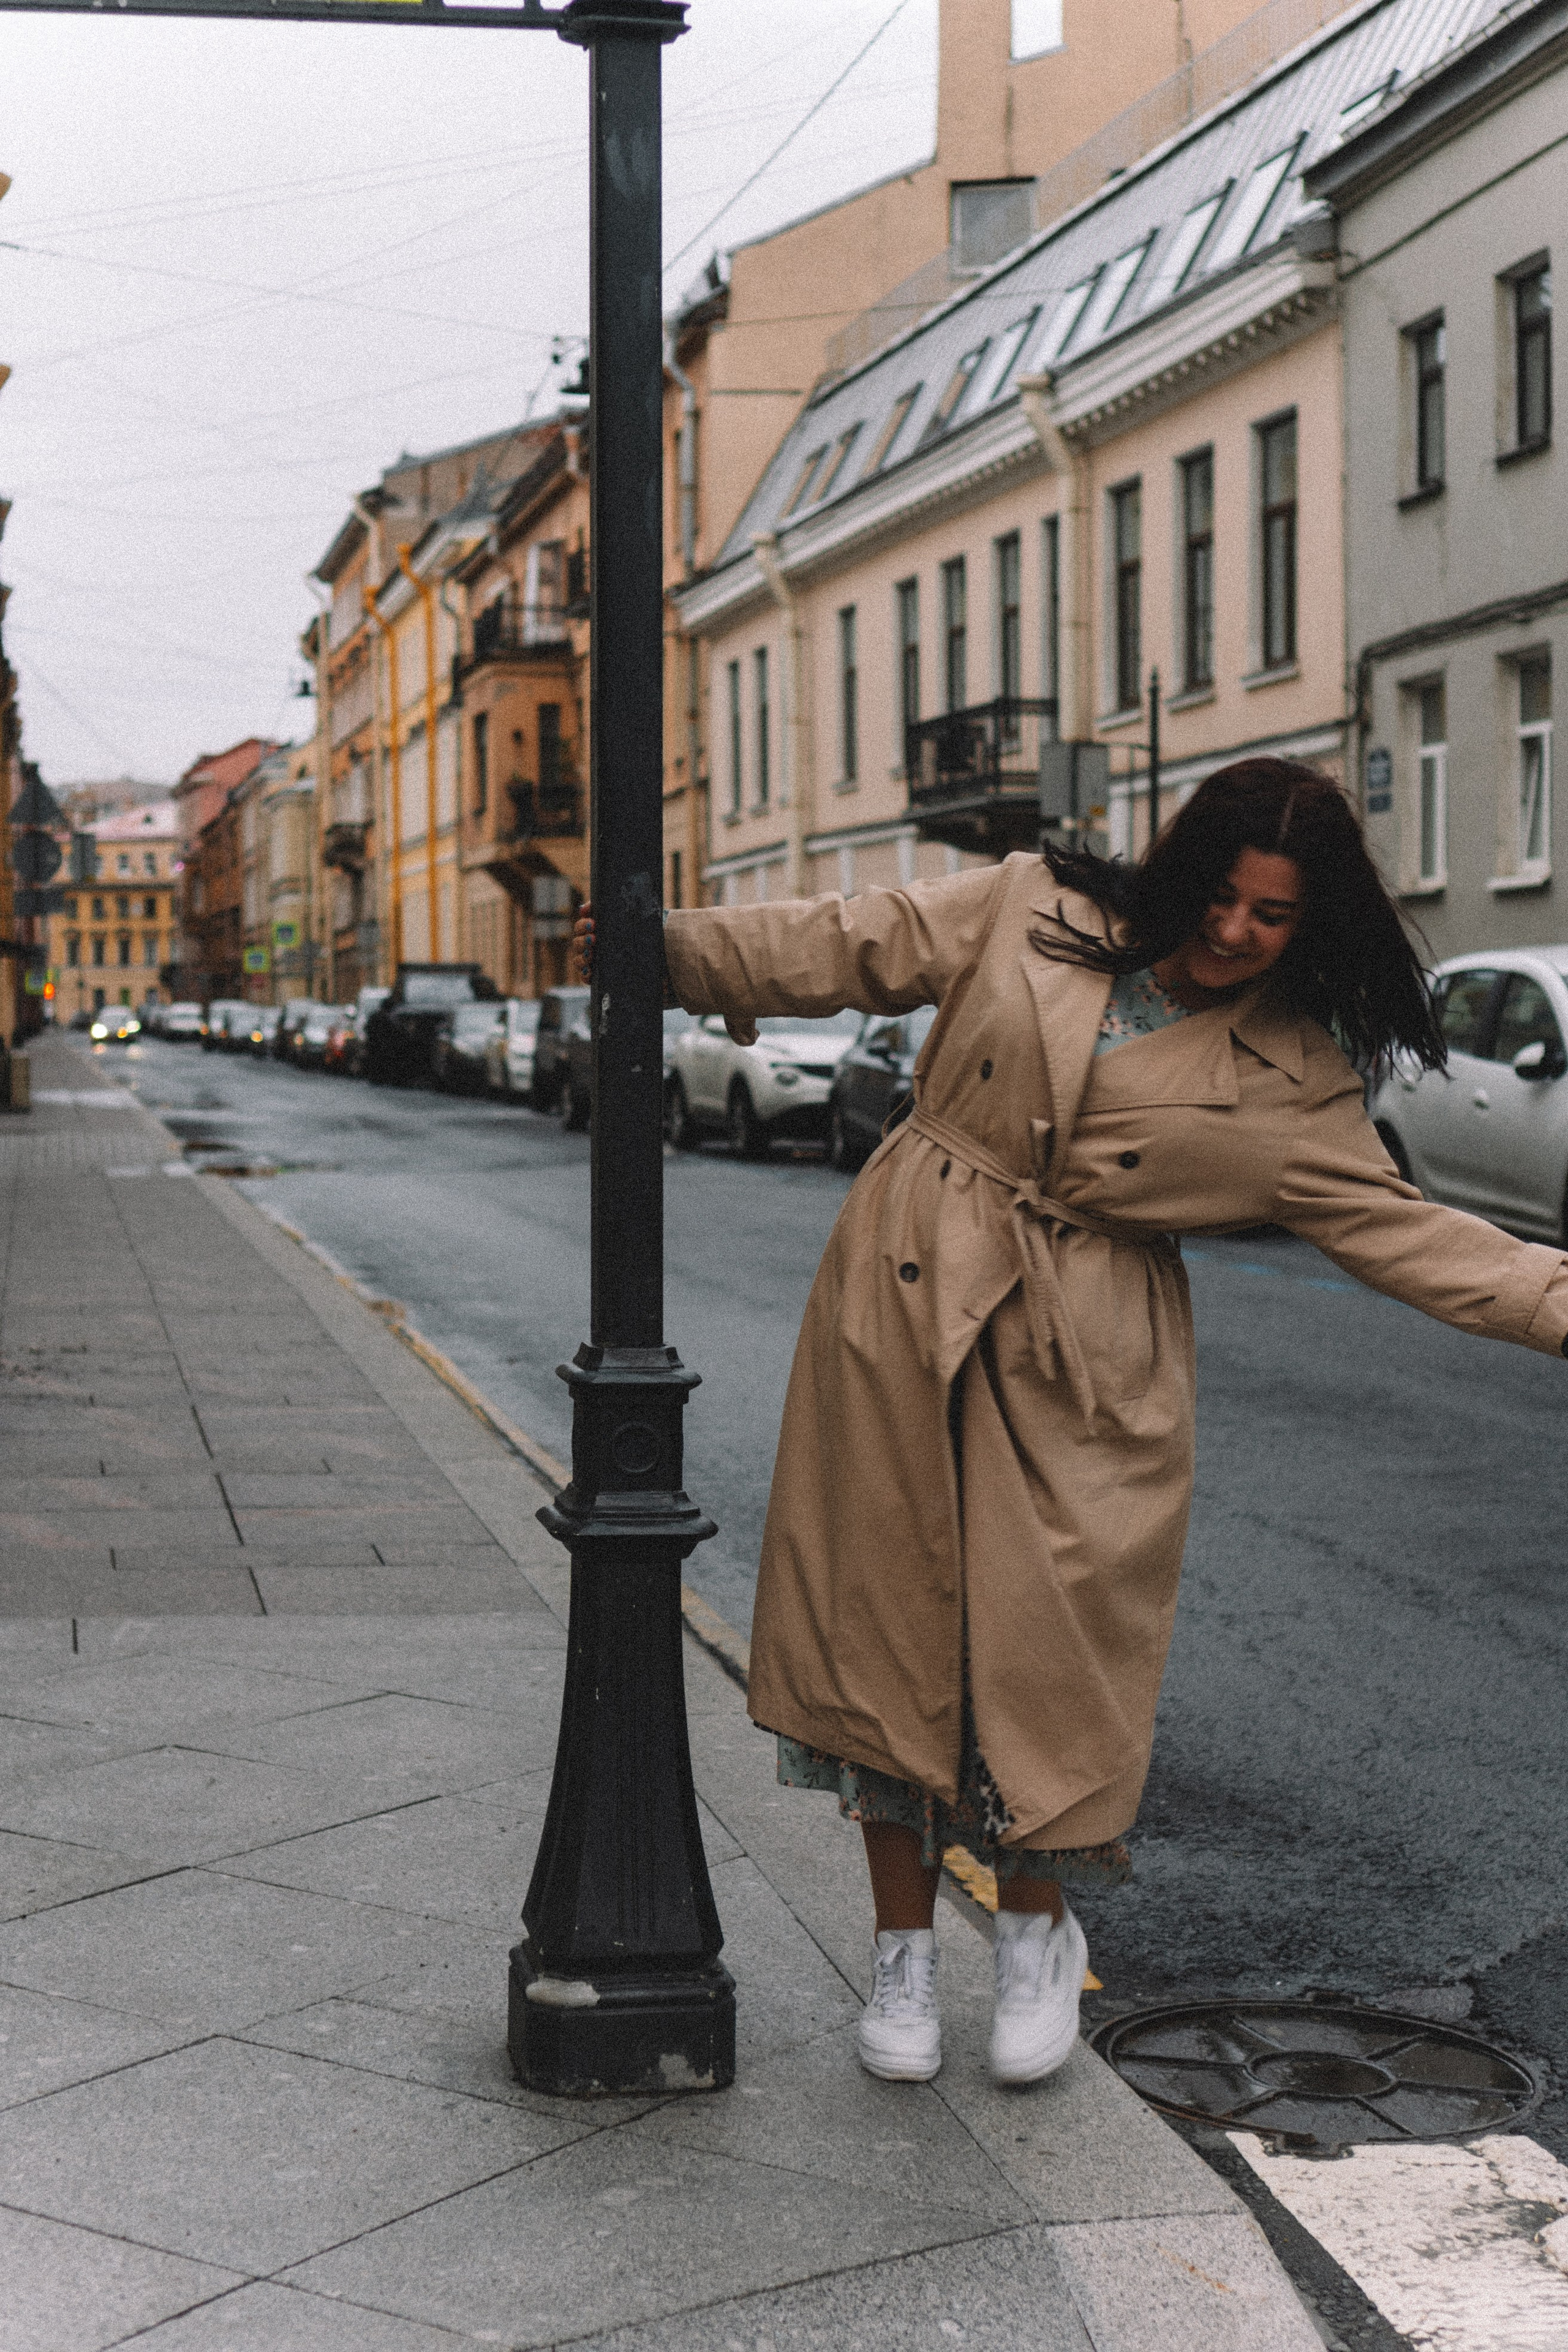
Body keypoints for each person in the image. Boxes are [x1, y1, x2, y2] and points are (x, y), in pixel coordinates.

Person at [574, 757, 1568, 2089]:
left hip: (1089, 1347)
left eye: (1269, 915)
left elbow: (1407, 1235)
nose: (1231, 932)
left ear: (1308, 924)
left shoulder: (1295, 1075)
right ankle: (902, 1952)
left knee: (1051, 1646)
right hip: (908, 1287)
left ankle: (1036, 1931)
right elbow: (847, 938)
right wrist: (669, 951)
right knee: (881, 1618)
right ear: (1178, 870)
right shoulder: (1035, 906)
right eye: (1218, 895)